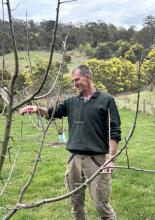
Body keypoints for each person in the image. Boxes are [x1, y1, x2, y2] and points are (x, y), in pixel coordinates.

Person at [19, 65, 121, 220]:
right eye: (73, 81)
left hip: (96, 161)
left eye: (77, 79)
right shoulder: (71, 101)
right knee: (76, 205)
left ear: (88, 77)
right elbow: (53, 112)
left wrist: (111, 159)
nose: (75, 84)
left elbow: (114, 130)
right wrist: (36, 108)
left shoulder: (106, 100)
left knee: (102, 206)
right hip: (73, 160)